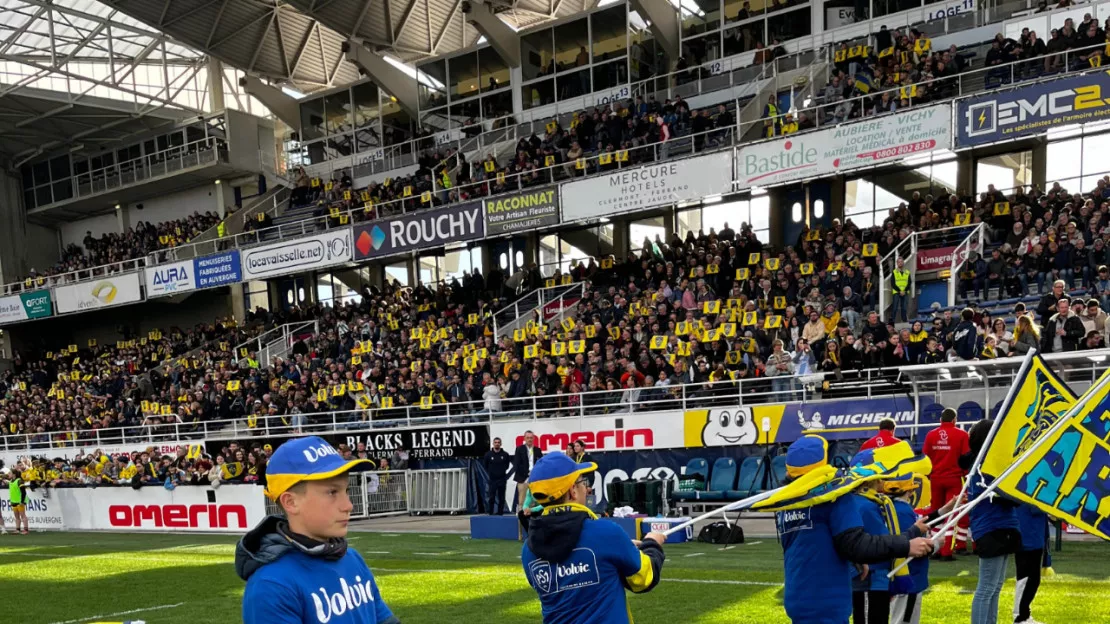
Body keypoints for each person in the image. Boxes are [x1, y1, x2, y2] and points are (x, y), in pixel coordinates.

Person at [237, 436, 400, 624]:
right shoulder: (272, 586)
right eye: (332, 492)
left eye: (346, 491)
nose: (348, 505)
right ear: (291, 502)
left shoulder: (352, 559)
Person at [775, 436, 935, 624]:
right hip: (829, 599)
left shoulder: (786, 503)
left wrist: (855, 558)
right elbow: (857, 545)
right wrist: (906, 545)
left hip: (797, 595)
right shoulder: (835, 499)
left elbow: (818, 542)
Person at [521, 453, 666, 623]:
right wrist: (652, 543)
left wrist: (621, 548)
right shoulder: (606, 533)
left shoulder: (528, 550)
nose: (587, 488)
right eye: (583, 482)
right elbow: (643, 579)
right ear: (572, 491)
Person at [961, 419, 1022, 624]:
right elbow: (997, 494)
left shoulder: (986, 461)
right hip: (991, 527)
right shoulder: (982, 465)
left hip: (1002, 525)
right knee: (987, 587)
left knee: (995, 585)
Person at [922, 408, 970, 560]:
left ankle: (934, 548)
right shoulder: (962, 435)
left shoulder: (931, 435)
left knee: (936, 513)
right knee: (951, 514)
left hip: (935, 479)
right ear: (955, 420)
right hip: (954, 479)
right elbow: (965, 459)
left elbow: (925, 458)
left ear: (940, 420)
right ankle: (947, 551)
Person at [1014, 504, 1048, 624]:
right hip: (1028, 535)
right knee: (1027, 579)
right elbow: (1036, 506)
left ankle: (1024, 614)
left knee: (1031, 578)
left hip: (1032, 534)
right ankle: (1020, 616)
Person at [513, 431, 543, 512]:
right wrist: (527, 473)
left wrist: (534, 473)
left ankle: (533, 516)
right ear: (524, 438)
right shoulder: (519, 449)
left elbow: (541, 464)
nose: (529, 439)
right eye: (528, 438)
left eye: (531, 438)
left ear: (533, 439)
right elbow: (517, 464)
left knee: (535, 498)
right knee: (522, 499)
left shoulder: (537, 450)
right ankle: (521, 516)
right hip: (523, 478)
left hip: (535, 478)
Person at [482, 437, 512, 515]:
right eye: (495, 442)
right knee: (491, 497)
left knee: (501, 498)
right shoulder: (488, 455)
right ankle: (491, 513)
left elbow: (507, 466)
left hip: (502, 479)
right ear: (493, 443)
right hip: (492, 480)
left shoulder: (505, 454)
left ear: (501, 444)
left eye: (498, 442)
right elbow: (485, 465)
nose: (497, 444)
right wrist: (492, 473)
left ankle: (500, 513)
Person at [7, 467, 29, 534]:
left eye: (10, 473)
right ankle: (17, 529)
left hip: (20, 501)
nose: (8, 474)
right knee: (16, 516)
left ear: (14, 474)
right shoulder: (11, 481)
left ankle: (26, 530)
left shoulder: (19, 481)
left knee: (23, 515)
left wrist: (22, 501)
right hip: (14, 501)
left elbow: (23, 492)